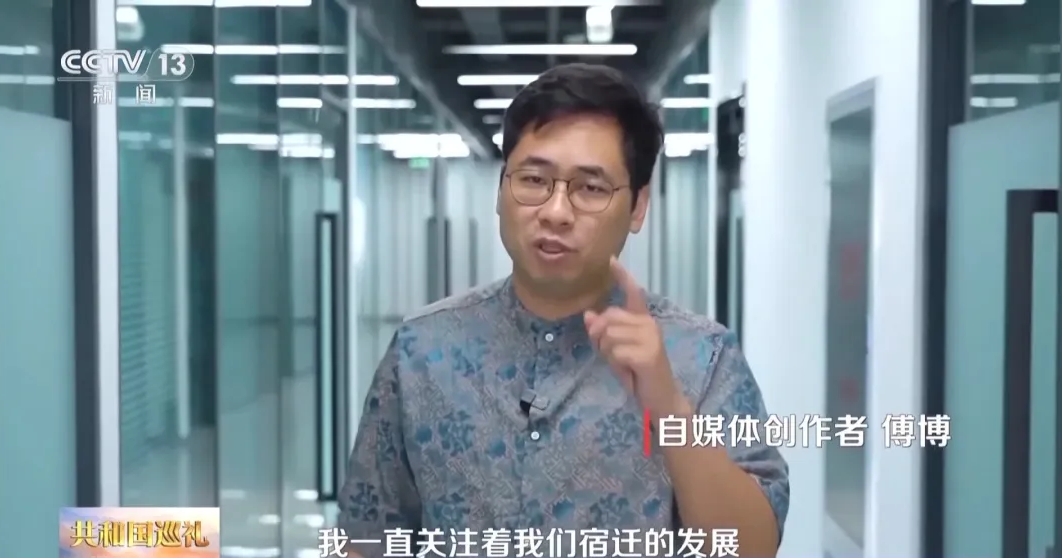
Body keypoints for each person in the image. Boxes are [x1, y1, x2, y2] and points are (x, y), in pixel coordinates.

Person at [338, 63, 789, 557]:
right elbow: (365, 538)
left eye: (590, 188)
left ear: (638, 206)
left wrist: (667, 405)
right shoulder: (422, 350)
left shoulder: (701, 358)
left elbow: (753, 548)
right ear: (501, 189)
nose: (555, 212)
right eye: (534, 179)